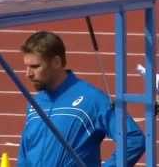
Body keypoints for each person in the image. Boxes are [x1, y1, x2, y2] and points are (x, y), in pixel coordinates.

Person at [17, 31, 145, 167]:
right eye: (27, 66)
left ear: (56, 62)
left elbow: (134, 139)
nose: (28, 74)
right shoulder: (36, 103)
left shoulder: (92, 99)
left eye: (35, 67)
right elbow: (25, 152)